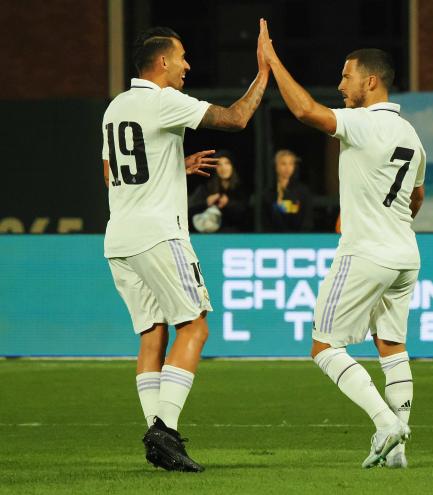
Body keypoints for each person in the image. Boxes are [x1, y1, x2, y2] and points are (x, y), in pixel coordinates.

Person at [101, 24, 269, 472]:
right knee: (194, 327)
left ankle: (160, 441)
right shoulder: (163, 100)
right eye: (182, 57)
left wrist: (173, 165)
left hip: (119, 236)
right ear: (161, 64)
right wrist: (263, 74)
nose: (187, 66)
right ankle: (165, 430)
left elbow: (113, 174)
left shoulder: (116, 107)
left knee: (152, 334)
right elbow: (236, 118)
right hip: (160, 234)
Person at [259, 20, 426, 469]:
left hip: (366, 252)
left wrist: (273, 63)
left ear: (370, 82)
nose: (340, 84)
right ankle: (399, 454)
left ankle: (385, 423)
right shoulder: (411, 135)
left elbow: (305, 111)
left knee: (324, 346)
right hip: (405, 255)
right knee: (391, 345)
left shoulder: (361, 123)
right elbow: (416, 196)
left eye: (346, 76)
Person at [189, 150, 248, 233]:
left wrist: (228, 203)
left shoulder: (240, 188)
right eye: (219, 164)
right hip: (209, 236)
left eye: (227, 163)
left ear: (232, 166)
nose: (223, 168)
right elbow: (189, 208)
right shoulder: (206, 188)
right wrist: (206, 202)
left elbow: (247, 213)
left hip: (235, 235)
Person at [262, 149, 313, 232]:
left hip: (299, 238)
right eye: (283, 164)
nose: (287, 168)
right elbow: (265, 221)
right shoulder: (269, 193)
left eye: (291, 164)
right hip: (274, 239)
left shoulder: (303, 192)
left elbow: (307, 220)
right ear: (276, 166)